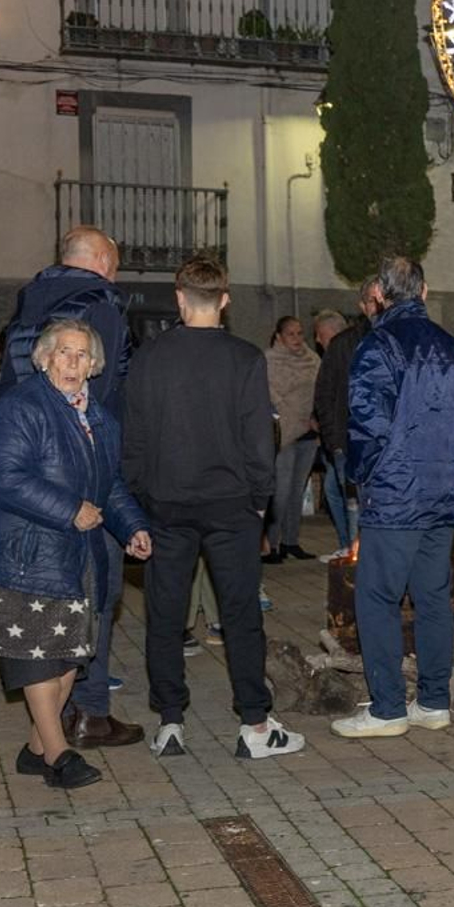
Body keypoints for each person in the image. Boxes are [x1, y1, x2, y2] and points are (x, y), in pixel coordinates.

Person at [122, 257, 304, 759]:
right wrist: (259, 504)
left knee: (165, 613)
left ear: (179, 298)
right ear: (224, 300)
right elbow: (258, 438)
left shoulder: (148, 357)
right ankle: (254, 723)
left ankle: (171, 722)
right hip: (231, 507)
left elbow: (132, 440)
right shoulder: (245, 358)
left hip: (165, 504)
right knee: (241, 614)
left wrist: (137, 505)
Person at [0, 319, 151, 788]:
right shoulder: (23, 406)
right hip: (24, 555)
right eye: (63, 352)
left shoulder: (101, 419)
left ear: (94, 366)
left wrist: (133, 528)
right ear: (44, 358)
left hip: (76, 555)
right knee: (38, 658)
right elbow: (5, 477)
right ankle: (58, 756)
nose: (72, 362)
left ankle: (35, 748)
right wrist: (70, 510)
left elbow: (109, 488)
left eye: (82, 355)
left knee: (69, 657)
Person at [0, 226, 140, 750]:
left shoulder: (29, 299)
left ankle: (47, 736)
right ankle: (90, 712)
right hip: (78, 470)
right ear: (102, 261)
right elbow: (96, 395)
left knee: (54, 595)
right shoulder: (100, 301)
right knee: (95, 593)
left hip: (35, 471)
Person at [332, 257, 454, 738]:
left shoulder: (379, 344)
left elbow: (367, 424)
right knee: (434, 596)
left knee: (376, 597)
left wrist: (366, 477)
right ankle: (434, 700)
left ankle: (388, 706)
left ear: (379, 293)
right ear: (424, 290)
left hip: (395, 495)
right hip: (441, 493)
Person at [313, 277, 383, 562]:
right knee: (353, 504)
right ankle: (358, 567)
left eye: (381, 300)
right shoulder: (343, 344)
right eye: (371, 301)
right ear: (362, 305)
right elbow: (325, 395)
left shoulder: (395, 339)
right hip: (349, 442)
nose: (377, 306)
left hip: (385, 444)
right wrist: (335, 443)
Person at [264, 316, 321, 563]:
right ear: (279, 336)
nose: (297, 339)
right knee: (281, 491)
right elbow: (270, 395)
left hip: (308, 433)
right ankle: (272, 544)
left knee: (297, 491)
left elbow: (320, 391)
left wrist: (315, 416)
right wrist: (294, 414)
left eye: (300, 334)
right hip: (283, 433)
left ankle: (291, 540)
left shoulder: (314, 361)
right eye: (291, 334)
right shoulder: (268, 361)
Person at [309, 310, 353, 556]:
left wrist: (332, 436)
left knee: (346, 495)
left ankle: (351, 547)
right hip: (337, 438)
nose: (317, 340)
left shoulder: (340, 353)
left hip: (343, 440)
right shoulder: (340, 352)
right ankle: (347, 544)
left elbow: (329, 397)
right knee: (334, 490)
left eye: (320, 335)